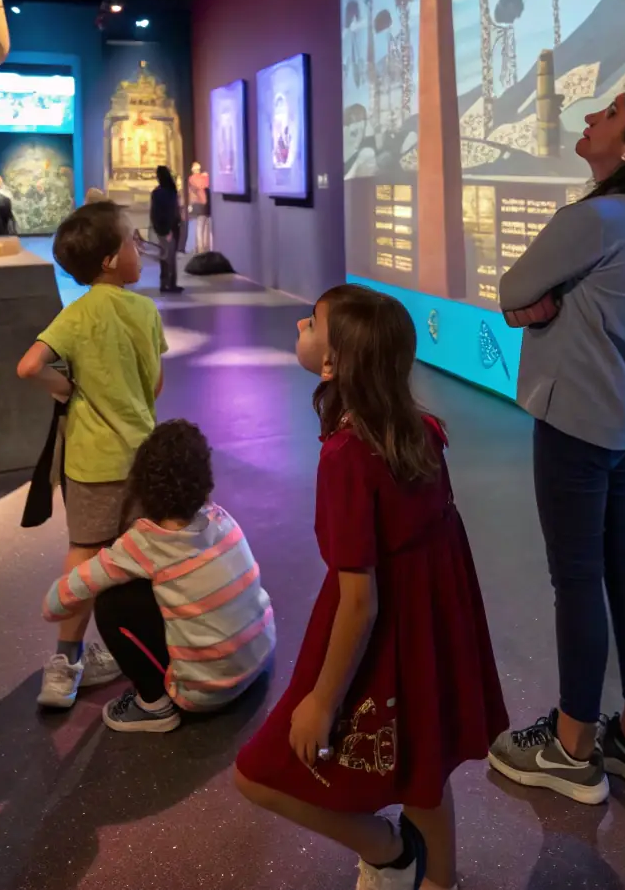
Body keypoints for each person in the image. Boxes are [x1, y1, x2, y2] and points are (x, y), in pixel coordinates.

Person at [235, 284, 508, 890]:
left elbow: (359, 599)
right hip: (425, 639)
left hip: (374, 636)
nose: (301, 325)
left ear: (333, 363)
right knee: (423, 769)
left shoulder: (346, 457)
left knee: (255, 774)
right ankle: (438, 880)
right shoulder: (422, 431)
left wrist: (323, 701)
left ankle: (388, 849)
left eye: (312, 323)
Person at [489, 89, 625, 805]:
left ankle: (571, 744)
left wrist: (539, 299)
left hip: (577, 420)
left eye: (610, 114)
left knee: (577, 577)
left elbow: (514, 287)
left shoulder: (592, 218)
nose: (590, 118)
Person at [17, 199, 169, 709]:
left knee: (84, 555)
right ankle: (147, 651)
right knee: (144, 558)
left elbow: (28, 366)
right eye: (132, 240)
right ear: (110, 259)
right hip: (142, 458)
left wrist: (65, 388)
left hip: (89, 463)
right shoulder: (145, 311)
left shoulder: (75, 314)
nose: (139, 247)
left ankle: (66, 661)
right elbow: (158, 383)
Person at [44, 419, 275, 734]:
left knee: (112, 602)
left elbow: (77, 586)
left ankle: (152, 706)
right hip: (258, 659)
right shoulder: (222, 520)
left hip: (208, 693)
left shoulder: (145, 542)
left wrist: (52, 605)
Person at [150, 165, 183, 295]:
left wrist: (158, 227)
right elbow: (172, 212)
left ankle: (165, 283)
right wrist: (169, 229)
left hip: (162, 227)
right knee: (170, 256)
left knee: (164, 256)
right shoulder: (170, 192)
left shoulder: (157, 193)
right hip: (171, 228)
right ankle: (171, 283)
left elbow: (155, 213)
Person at [188, 160, 212, 254]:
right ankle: (205, 247)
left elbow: (196, 188)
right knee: (205, 225)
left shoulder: (192, 178)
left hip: (198, 204)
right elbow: (205, 185)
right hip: (206, 204)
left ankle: (201, 248)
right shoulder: (204, 178)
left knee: (199, 225)